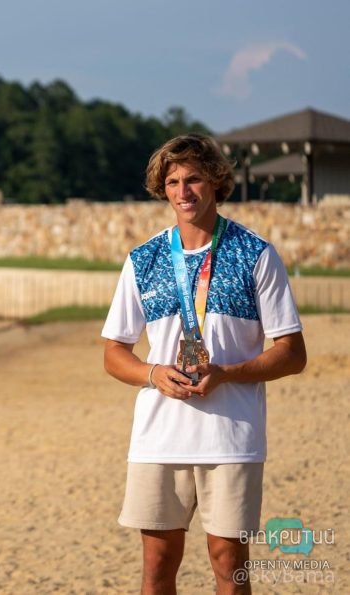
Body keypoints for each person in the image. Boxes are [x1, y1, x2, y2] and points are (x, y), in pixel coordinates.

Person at [101, 134, 307, 594]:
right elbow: (114, 353)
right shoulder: (144, 260)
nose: (183, 191)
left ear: (215, 181)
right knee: (157, 566)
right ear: (163, 189)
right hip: (159, 436)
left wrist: (227, 373)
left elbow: (293, 353)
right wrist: (153, 374)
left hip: (230, 437)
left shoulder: (256, 254)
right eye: (172, 181)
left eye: (193, 178)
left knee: (228, 566)